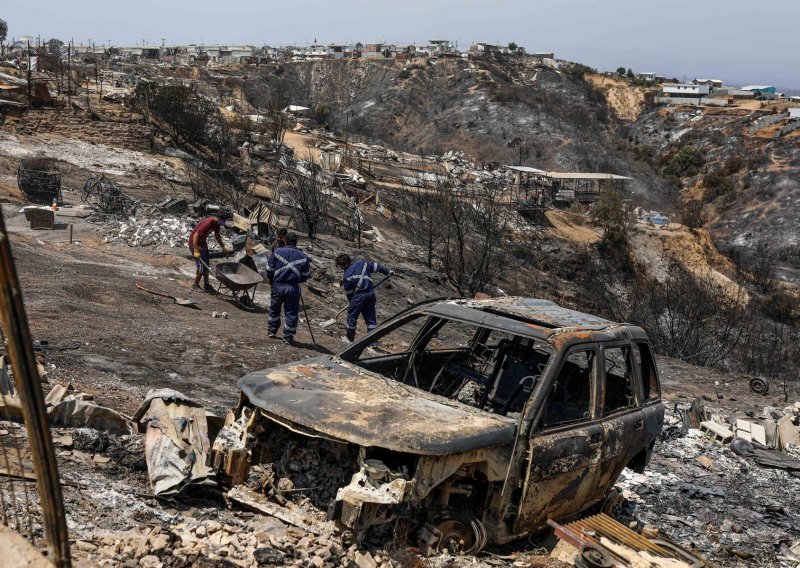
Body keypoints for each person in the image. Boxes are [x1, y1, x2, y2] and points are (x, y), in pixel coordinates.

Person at [336, 254, 392, 342]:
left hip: (359, 297)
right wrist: (388, 272)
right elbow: (377, 267)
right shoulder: (362, 263)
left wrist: (351, 302)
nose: (341, 268)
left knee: (352, 317)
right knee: (371, 320)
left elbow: (349, 292)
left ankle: (350, 339)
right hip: (371, 295)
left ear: (344, 264)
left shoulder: (347, 275)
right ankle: (373, 343)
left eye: (341, 266)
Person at [267, 233, 311, 344]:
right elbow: (306, 275)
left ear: (285, 241)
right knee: (291, 313)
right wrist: (297, 280)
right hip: (293, 287)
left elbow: (269, 269)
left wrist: (272, 281)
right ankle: (288, 337)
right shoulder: (303, 256)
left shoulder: (278, 252)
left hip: (278, 285)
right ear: (296, 242)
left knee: (274, 309)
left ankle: (272, 330)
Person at [189, 211, 231, 291]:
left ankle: (206, 285)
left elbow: (217, 236)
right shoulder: (208, 223)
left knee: (206, 266)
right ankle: (195, 285)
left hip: (203, 243)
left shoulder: (217, 224)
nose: (224, 223)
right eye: (223, 221)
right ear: (219, 218)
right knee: (201, 266)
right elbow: (195, 236)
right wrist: (196, 250)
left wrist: (223, 247)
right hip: (195, 243)